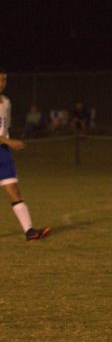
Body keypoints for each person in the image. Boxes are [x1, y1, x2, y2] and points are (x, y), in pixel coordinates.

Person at [0, 69, 51, 241]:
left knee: (14, 190)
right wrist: (9, 142)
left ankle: (30, 231)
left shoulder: (6, 102)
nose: (2, 83)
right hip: (5, 145)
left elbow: (5, 127)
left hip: (3, 152)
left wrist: (7, 142)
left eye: (4, 80)